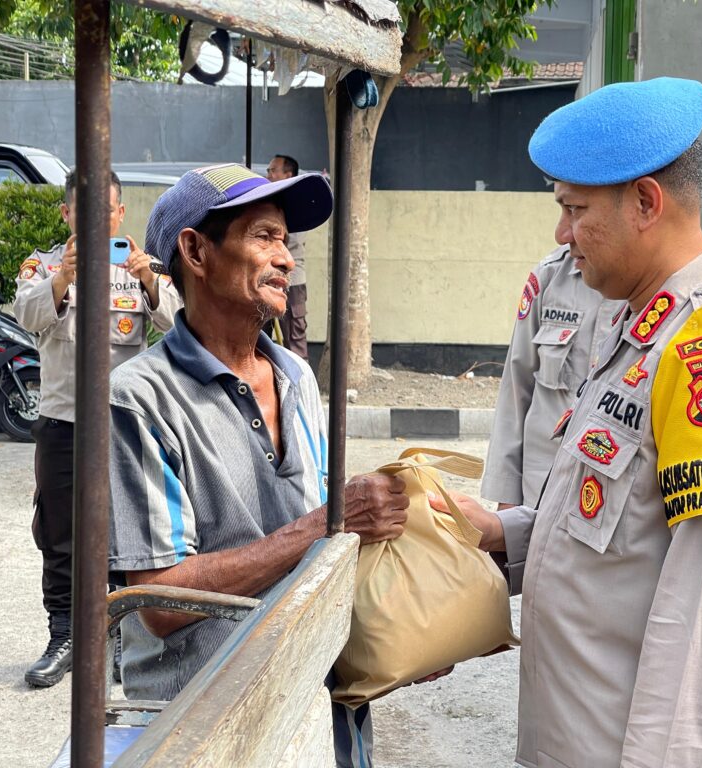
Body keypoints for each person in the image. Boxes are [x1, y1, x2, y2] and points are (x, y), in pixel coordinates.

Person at [432, 78, 702, 767]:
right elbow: (616, 531)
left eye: (574, 210)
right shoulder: (641, 327)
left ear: (645, 204)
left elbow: (700, 611)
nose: (561, 234)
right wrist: (499, 535)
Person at [106, 163, 410, 767]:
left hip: (317, 694)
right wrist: (330, 521)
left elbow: (329, 548)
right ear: (196, 251)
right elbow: (161, 601)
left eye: (287, 243)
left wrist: (396, 633)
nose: (287, 260)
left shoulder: (296, 376)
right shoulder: (138, 397)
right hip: (207, 720)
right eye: (264, 237)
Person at [13, 169, 182, 688]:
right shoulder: (42, 266)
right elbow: (26, 315)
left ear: (119, 214)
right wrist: (62, 278)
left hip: (123, 422)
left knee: (124, 529)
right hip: (63, 422)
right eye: (81, 210)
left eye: (104, 210)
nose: (93, 220)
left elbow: (182, 325)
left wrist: (152, 280)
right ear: (66, 214)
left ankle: (117, 637)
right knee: (59, 533)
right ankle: (64, 635)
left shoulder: (140, 267)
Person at [481, 245, 615, 508]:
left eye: (577, 209)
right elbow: (515, 393)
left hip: (612, 514)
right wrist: (507, 504)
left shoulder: (665, 287)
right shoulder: (552, 275)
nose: (562, 233)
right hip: (538, 503)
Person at [265, 154, 310, 360]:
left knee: (294, 339)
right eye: (268, 170)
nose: (268, 174)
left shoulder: (295, 205)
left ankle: (300, 388)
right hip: (265, 279)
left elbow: (287, 243)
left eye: (273, 170)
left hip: (291, 281)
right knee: (260, 336)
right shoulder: (268, 201)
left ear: (288, 175)